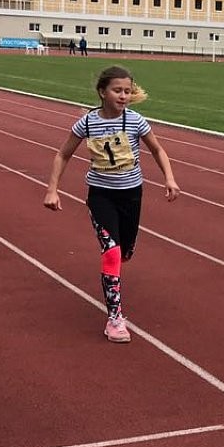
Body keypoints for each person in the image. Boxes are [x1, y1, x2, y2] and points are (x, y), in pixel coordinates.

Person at [43, 65, 180, 343]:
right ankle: (115, 318)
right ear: (102, 92)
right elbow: (63, 154)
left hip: (131, 195)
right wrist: (52, 189)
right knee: (112, 253)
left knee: (125, 251)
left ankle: (117, 265)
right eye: (117, 90)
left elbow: (157, 149)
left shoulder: (136, 121)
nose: (123, 96)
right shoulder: (87, 123)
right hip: (101, 195)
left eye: (127, 91)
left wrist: (170, 178)